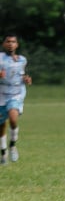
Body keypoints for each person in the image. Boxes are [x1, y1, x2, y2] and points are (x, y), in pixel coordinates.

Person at [0, 35, 33, 165]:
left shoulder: (22, 60)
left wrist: (26, 79)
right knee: (1, 125)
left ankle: (12, 145)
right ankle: (3, 152)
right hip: (1, 94)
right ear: (4, 44)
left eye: (13, 42)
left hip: (16, 93)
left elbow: (21, 75)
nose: (10, 44)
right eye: (8, 41)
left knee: (13, 119)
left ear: (17, 45)